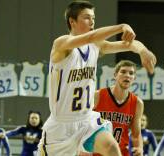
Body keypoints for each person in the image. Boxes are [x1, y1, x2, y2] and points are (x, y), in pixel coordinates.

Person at [37, 1, 156, 156]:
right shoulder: (61, 44)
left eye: (93, 17)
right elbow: (92, 36)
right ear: (72, 21)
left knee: (112, 148)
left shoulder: (96, 45)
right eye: (87, 17)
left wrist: (142, 50)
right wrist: (121, 27)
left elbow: (129, 44)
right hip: (61, 126)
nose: (92, 21)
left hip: (87, 120)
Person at [91, 60, 143, 156]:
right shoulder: (98, 95)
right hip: (96, 152)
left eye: (131, 73)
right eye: (123, 72)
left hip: (120, 152)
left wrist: (139, 147)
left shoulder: (137, 103)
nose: (127, 75)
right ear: (115, 75)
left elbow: (136, 134)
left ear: (134, 78)